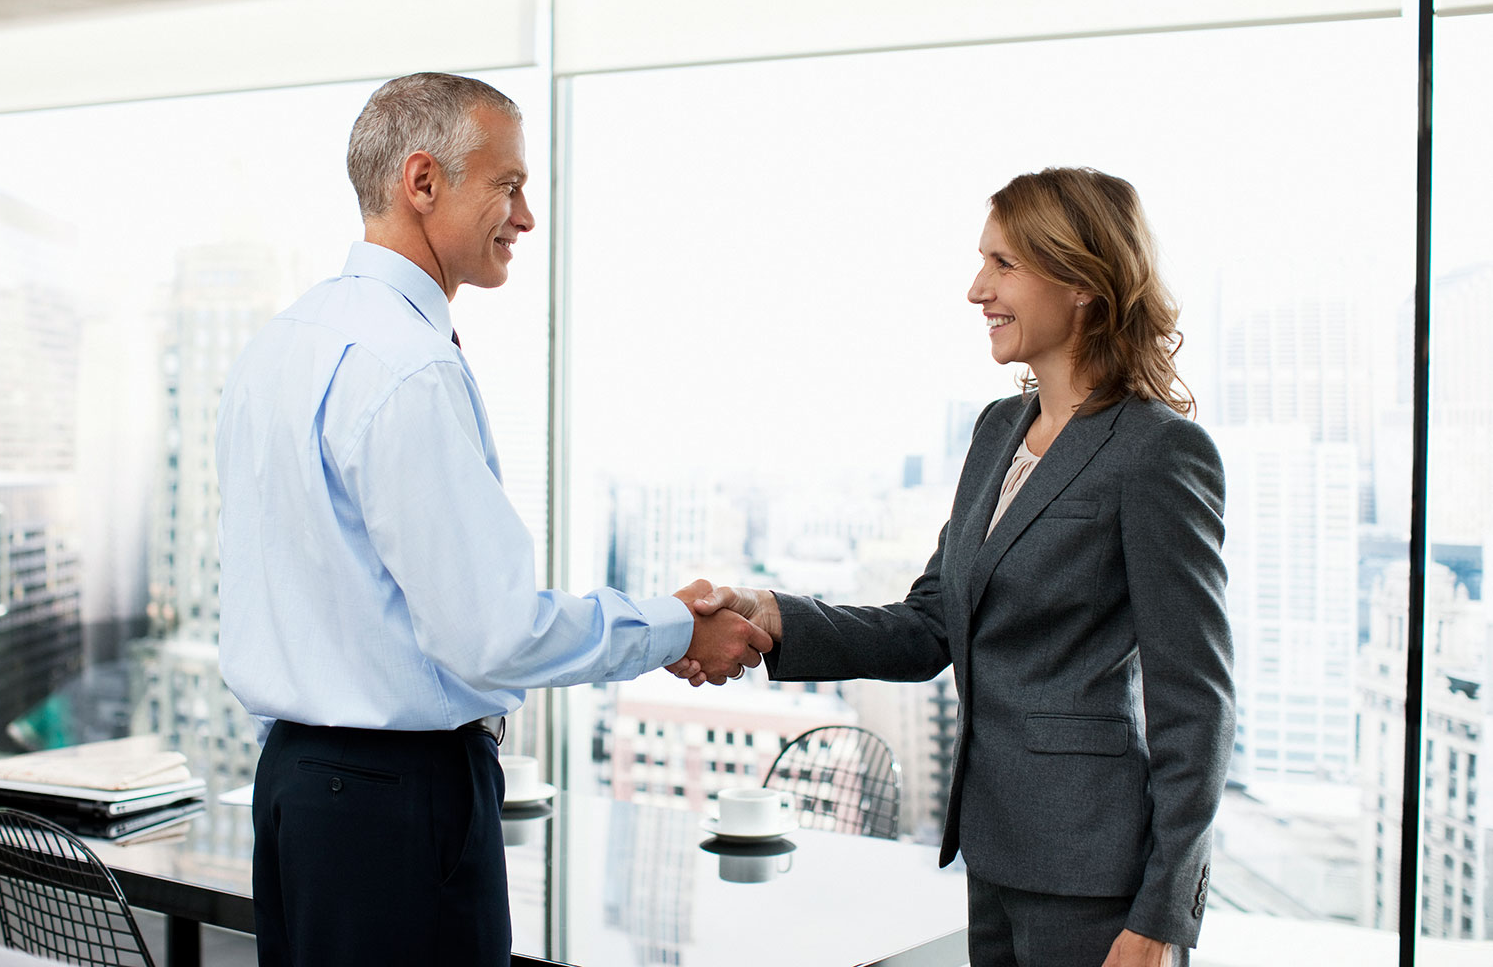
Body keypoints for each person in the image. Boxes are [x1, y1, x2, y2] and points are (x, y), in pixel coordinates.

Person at [215, 72, 770, 967]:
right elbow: (491, 633)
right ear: (423, 182)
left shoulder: (282, 343)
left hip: (294, 793)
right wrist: (674, 627)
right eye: (507, 185)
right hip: (399, 802)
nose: (526, 216)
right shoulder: (408, 366)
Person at [684, 167, 1234, 967]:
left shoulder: (1157, 453)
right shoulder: (998, 431)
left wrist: (1161, 920)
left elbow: (1198, 703)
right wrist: (770, 613)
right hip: (995, 854)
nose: (978, 289)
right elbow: (931, 623)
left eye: (1004, 264)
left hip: (1096, 880)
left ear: (1081, 279)